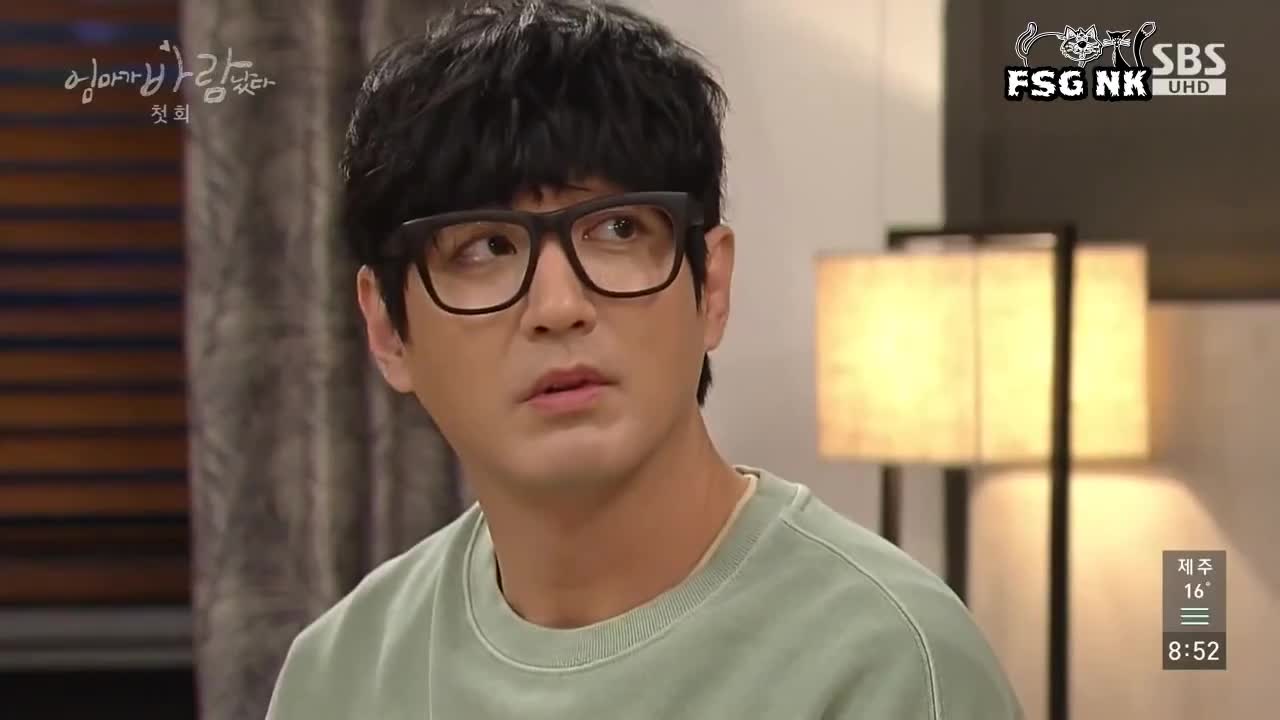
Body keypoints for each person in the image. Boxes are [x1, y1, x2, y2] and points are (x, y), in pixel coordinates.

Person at [265, 1, 1023, 718]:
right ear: (386, 329)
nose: (559, 306)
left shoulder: (889, 662)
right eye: (487, 247)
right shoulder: (341, 673)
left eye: (618, 231)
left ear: (711, 286)